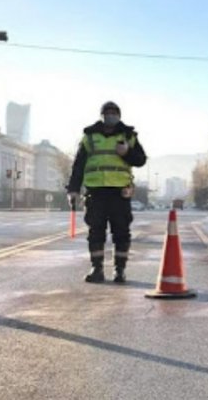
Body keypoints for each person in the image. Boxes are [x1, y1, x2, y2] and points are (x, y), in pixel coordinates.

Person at [66, 101, 147, 283]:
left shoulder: (128, 135)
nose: (110, 115)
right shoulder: (90, 137)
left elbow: (141, 160)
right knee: (96, 232)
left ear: (119, 115)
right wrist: (73, 189)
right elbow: (78, 165)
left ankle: (120, 270)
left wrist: (127, 152)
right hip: (96, 193)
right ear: (101, 115)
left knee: (121, 232)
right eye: (107, 112)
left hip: (120, 193)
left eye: (114, 112)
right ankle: (97, 268)